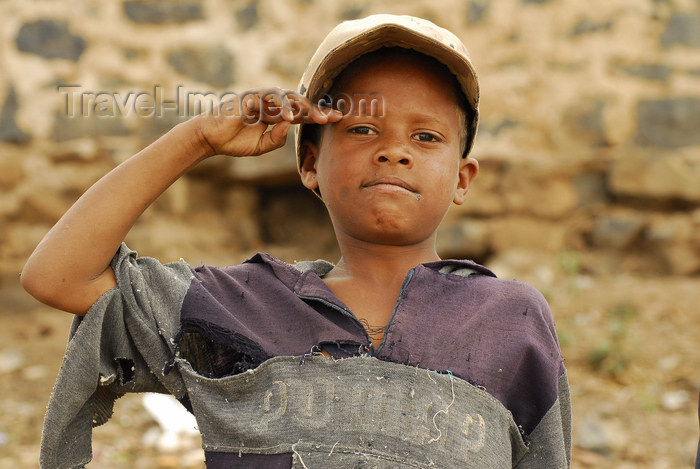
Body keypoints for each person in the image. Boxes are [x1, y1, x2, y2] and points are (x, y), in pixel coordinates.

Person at [22, 14, 571, 468]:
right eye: (362, 128)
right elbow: (59, 276)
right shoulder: (243, 307)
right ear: (310, 163)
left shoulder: (509, 318)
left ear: (462, 179)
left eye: (426, 137)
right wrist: (199, 138)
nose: (395, 151)